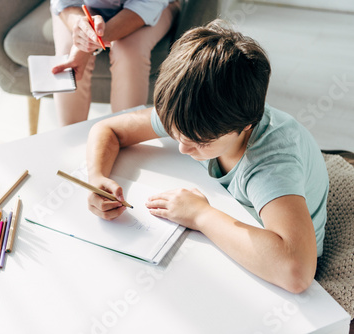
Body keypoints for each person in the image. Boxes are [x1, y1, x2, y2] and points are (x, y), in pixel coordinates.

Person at [85, 19, 329, 294]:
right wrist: (97, 177)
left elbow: (296, 271)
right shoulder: (192, 113)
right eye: (177, 135)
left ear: (244, 127)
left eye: (198, 143)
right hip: (235, 229)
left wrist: (200, 215)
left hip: (273, 260)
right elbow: (109, 129)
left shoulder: (270, 164)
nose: (183, 149)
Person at [50, 0, 179, 125]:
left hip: (151, 6)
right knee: (67, 55)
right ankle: (71, 136)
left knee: (129, 54)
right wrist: (83, 33)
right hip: (81, 6)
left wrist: (88, 45)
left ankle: (126, 137)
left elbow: (148, 4)